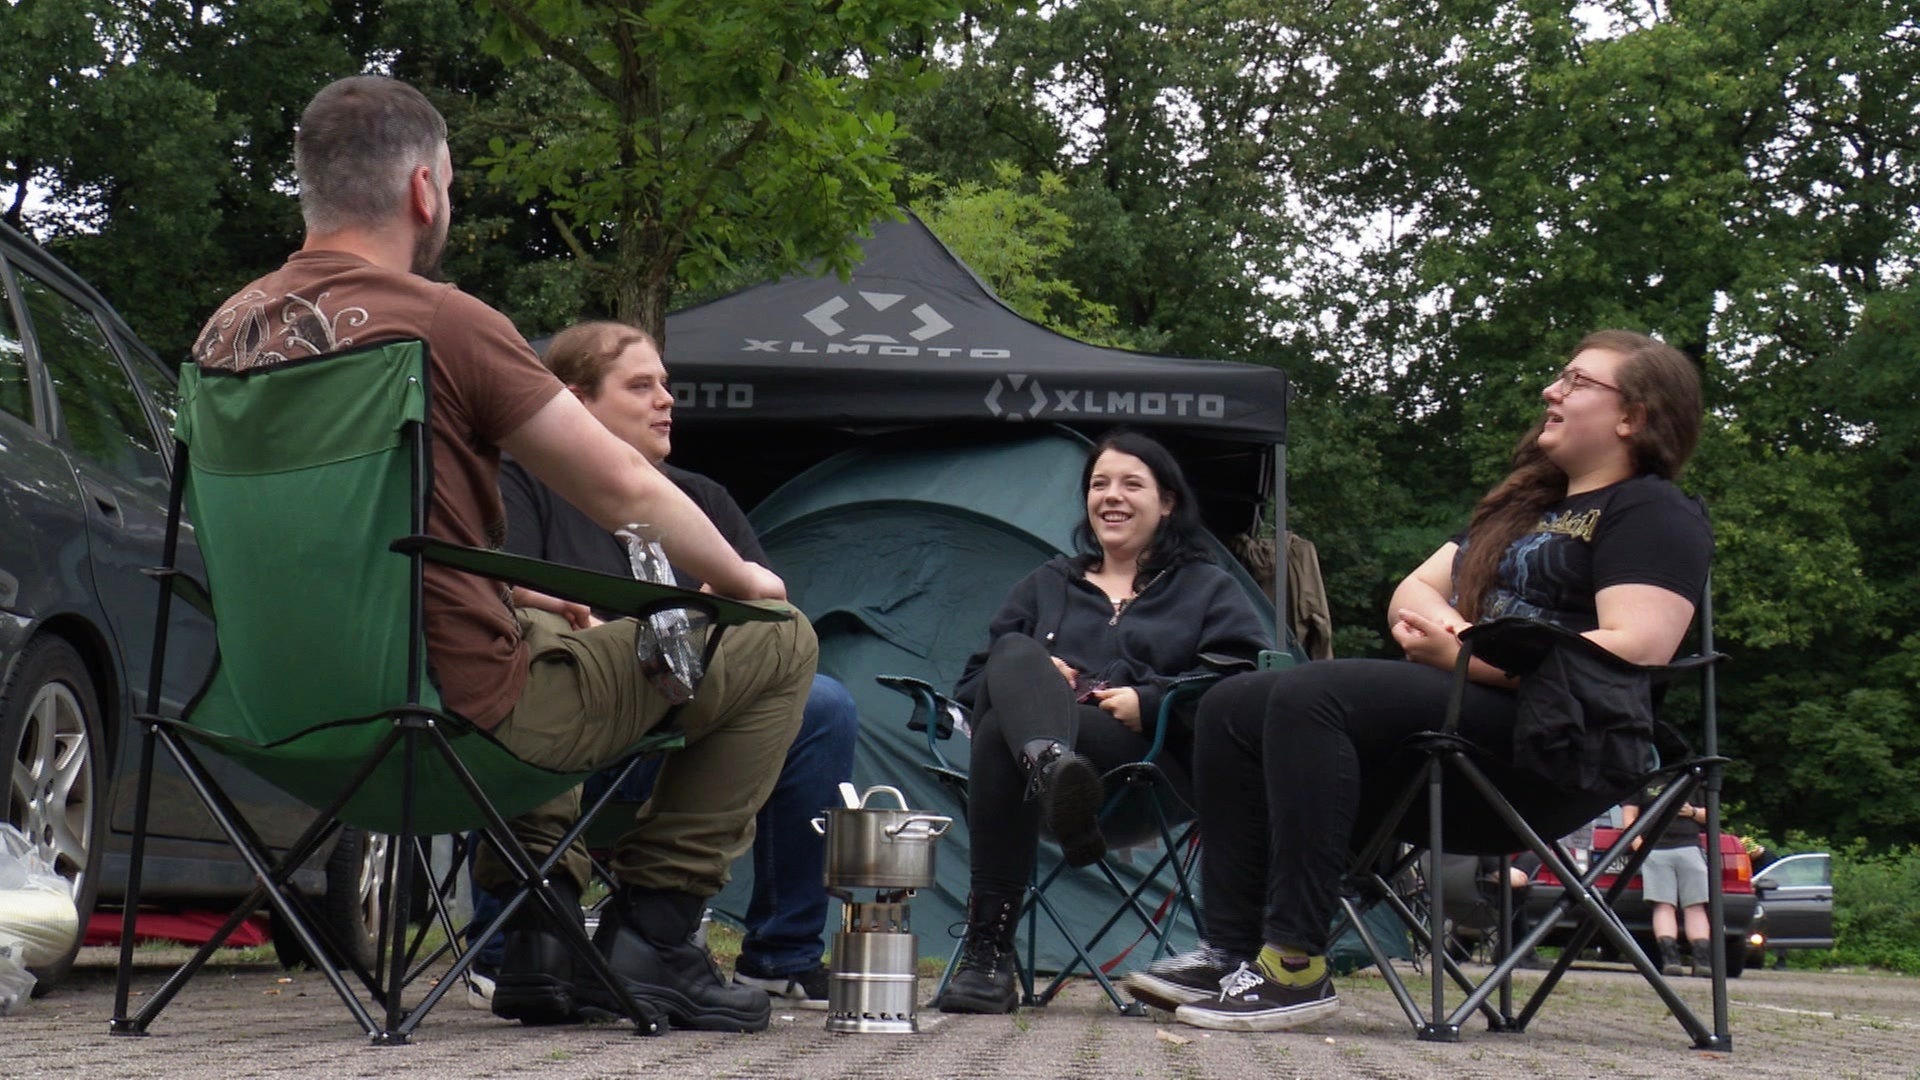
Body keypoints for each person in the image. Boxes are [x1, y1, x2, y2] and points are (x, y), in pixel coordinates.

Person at [189, 75, 817, 1034]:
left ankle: (540, 935)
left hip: (274, 714)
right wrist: (743, 579)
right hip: (450, 718)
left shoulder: (222, 334)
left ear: (310, 189)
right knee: (777, 638)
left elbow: (347, 548)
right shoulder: (443, 322)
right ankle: (657, 933)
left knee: (531, 621)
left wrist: (514, 600)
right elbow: (623, 489)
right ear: (425, 192)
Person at [1129, 330, 1711, 1033]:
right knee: (1229, 702)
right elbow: (1412, 592)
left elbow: (1635, 648)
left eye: (1576, 381)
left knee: (1315, 694)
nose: (1551, 392)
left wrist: (1463, 651)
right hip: (1462, 730)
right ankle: (1229, 949)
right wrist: (1457, 644)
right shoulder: (1524, 507)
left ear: (1634, 417)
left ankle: (1293, 963)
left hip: (1554, 750)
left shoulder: (1651, 510)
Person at [485, 320, 858, 1010]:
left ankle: (779, 953)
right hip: (565, 726)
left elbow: (756, 618)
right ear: (575, 400)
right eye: (640, 385)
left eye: (666, 385)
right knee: (535, 642)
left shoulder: (702, 500)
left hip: (676, 727)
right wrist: (583, 618)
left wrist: (698, 613)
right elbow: (496, 588)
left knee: (824, 702)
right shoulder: (524, 483)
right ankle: (539, 927)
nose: (666, 401)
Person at [935, 430, 1272, 1015]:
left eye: (1131, 484)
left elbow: (1244, 683)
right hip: (1043, 788)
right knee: (1013, 661)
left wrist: (1152, 698)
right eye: (1099, 484)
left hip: (1146, 771)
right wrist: (1038, 679)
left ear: (1167, 502)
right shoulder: (1048, 583)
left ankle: (987, 956)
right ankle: (1052, 768)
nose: (1110, 496)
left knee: (1002, 721)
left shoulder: (1206, 587)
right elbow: (972, 687)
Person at [1622, 784, 1712, 977]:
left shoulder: (1692, 779)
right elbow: (1629, 816)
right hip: (1655, 849)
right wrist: (1638, 844)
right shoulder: (1645, 779)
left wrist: (1693, 811)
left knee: (1696, 905)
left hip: (1690, 846)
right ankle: (1670, 960)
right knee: (1663, 905)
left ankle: (1702, 960)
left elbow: (1711, 816)